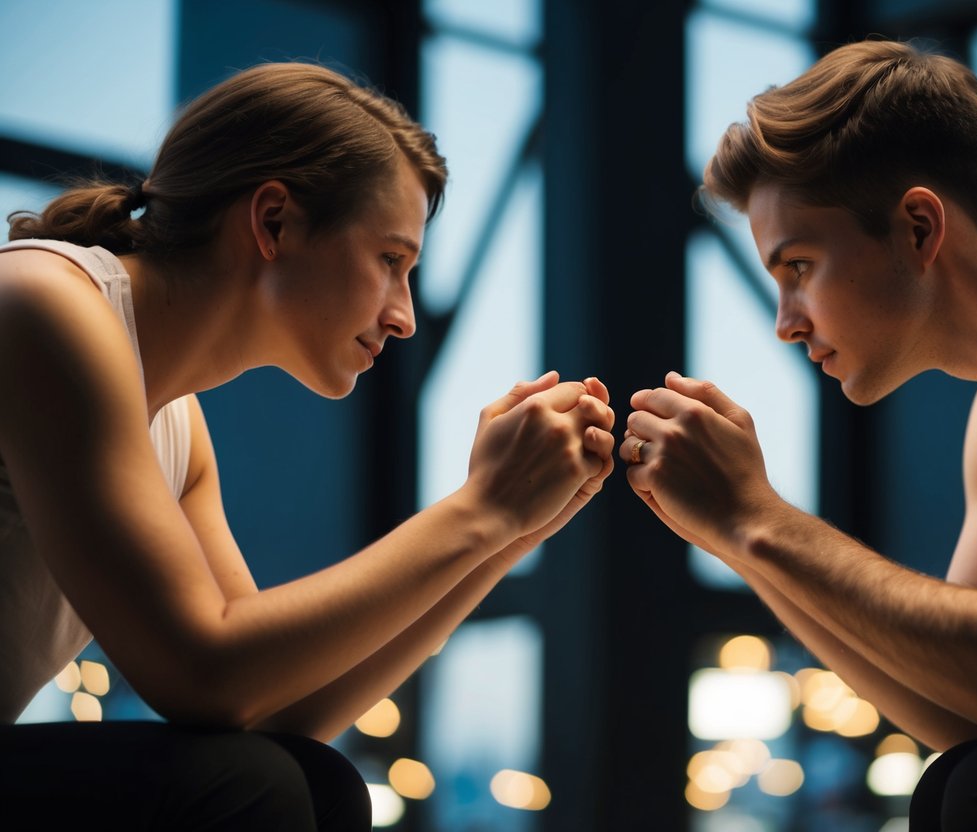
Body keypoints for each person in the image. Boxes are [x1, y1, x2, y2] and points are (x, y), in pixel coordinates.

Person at [0, 61, 615, 830]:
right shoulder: (42, 302)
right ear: (274, 222)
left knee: (313, 779)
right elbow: (204, 672)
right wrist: (479, 510)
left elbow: (269, 710)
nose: (404, 317)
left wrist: (507, 533)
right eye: (391, 261)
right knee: (245, 784)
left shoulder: (177, 425)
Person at [622, 38, 977, 829]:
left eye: (796, 267)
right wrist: (737, 541)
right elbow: (972, 713)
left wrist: (758, 518)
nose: (784, 325)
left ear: (917, 227)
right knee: (966, 777)